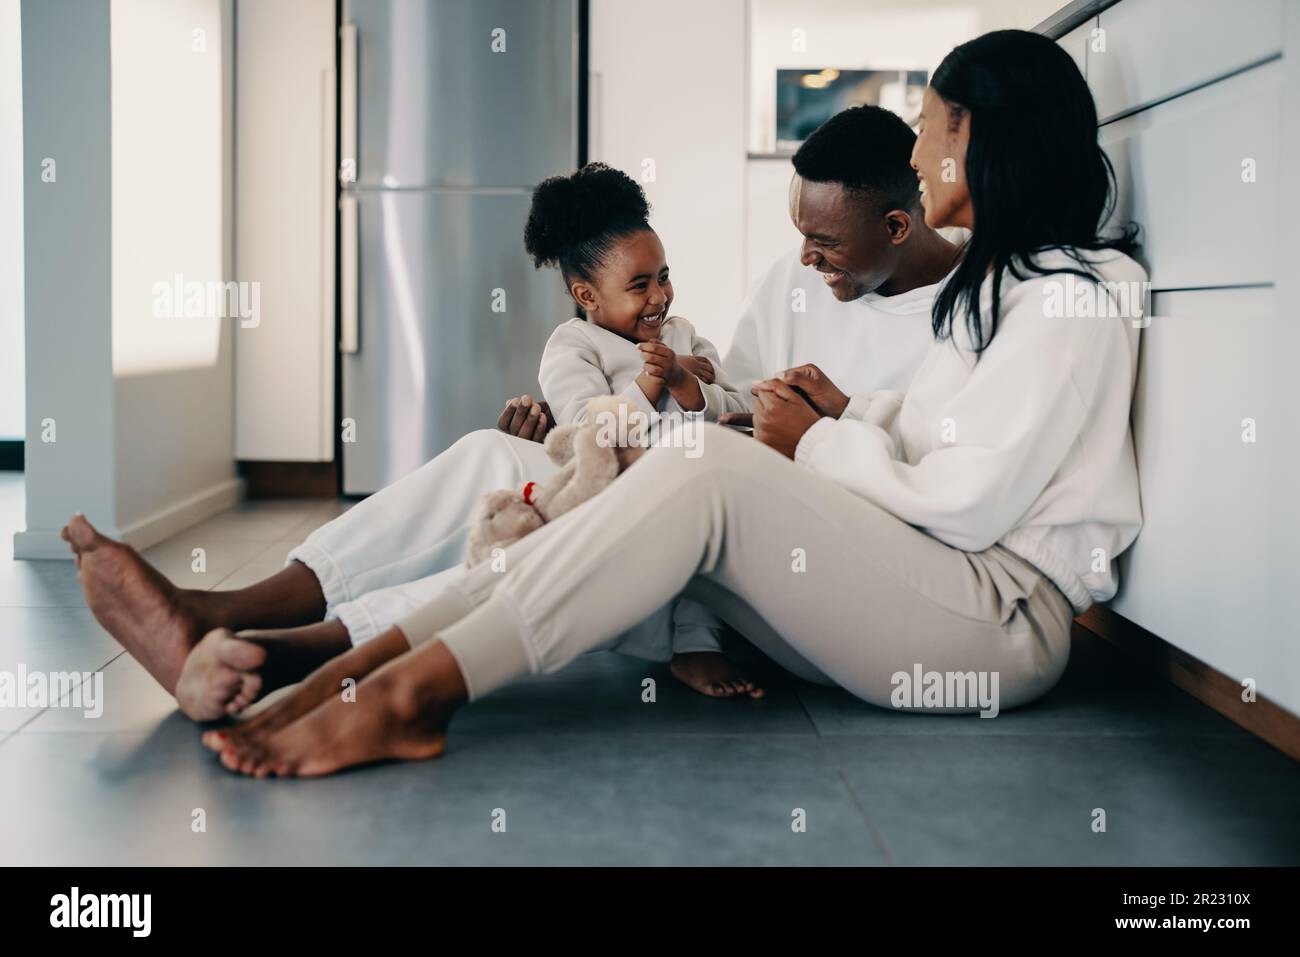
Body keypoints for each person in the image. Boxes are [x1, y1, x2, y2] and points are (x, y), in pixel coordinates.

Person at [204, 29, 1147, 779]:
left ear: (987, 137)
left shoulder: (1073, 293)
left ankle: (409, 694)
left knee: (699, 470)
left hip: (998, 622)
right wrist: (850, 415)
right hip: (926, 588)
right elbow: (945, 453)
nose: (919, 147)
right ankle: (361, 665)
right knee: (657, 470)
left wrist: (818, 442)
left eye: (936, 126)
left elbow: (969, 503)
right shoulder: (1002, 283)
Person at [62, 106, 960, 720]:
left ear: (895, 221)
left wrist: (816, 427)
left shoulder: (967, 308)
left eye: (825, 243)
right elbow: (729, 395)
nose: (806, 260)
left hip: (787, 547)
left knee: (544, 525)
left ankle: (282, 655)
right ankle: (223, 613)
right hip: (696, 475)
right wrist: (681, 404)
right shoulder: (792, 281)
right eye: (800, 236)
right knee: (498, 460)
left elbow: (904, 473)